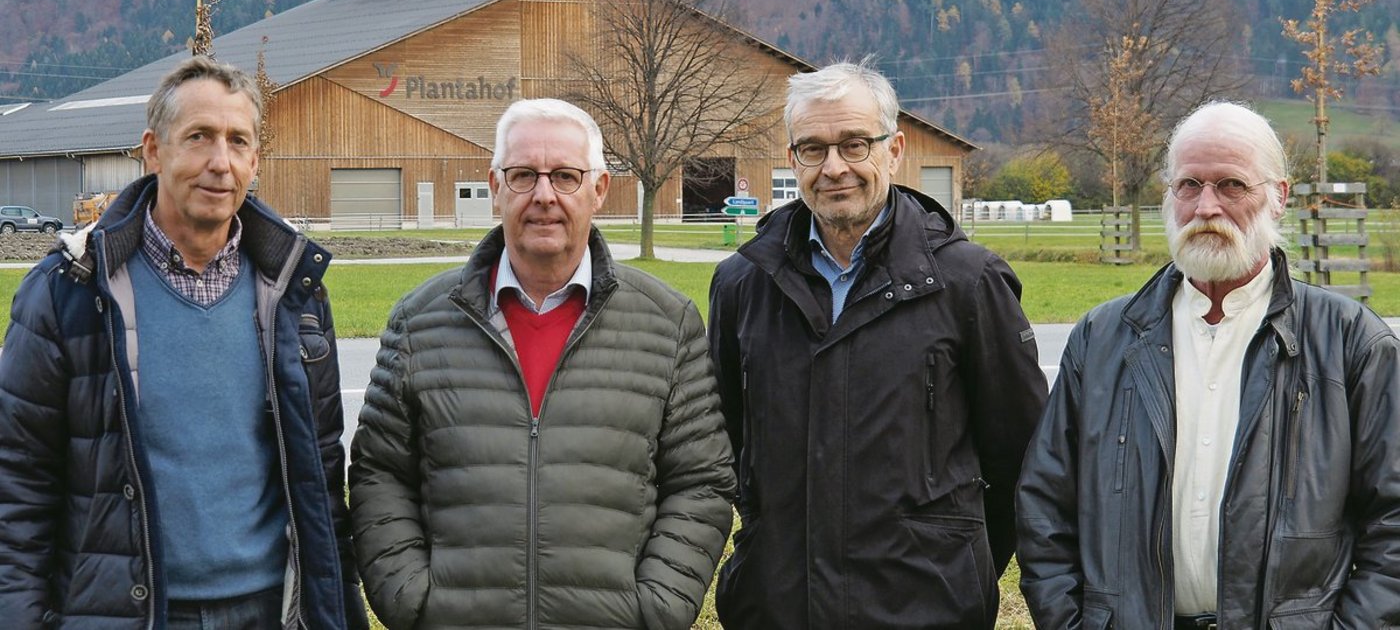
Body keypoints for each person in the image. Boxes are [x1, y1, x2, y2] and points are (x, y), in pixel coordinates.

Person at [0, 55, 367, 629]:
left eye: (237, 141)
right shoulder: (68, 291)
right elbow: (17, 486)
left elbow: (321, 479)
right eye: (199, 137)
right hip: (128, 612)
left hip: (271, 609)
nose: (220, 163)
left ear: (255, 161)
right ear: (153, 150)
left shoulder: (294, 294)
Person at [350, 97, 735, 630]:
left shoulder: (667, 323)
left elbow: (701, 481)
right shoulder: (420, 321)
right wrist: (412, 601)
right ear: (495, 187)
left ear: (599, 190)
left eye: (566, 176)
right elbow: (379, 473)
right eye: (524, 174)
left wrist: (656, 609)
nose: (544, 196)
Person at [1016, 100, 1400, 629]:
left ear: (1279, 197)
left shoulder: (1351, 343)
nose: (1206, 207)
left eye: (1232, 186)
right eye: (1189, 185)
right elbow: (1045, 508)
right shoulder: (1101, 339)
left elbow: (1393, 524)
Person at [706, 60, 1048, 629]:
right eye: (813, 149)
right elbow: (729, 446)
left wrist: (954, 566)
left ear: (894, 150)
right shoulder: (744, 285)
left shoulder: (967, 281)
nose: (834, 167)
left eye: (855, 144)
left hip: (925, 609)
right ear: (793, 161)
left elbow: (1022, 455)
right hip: (777, 607)